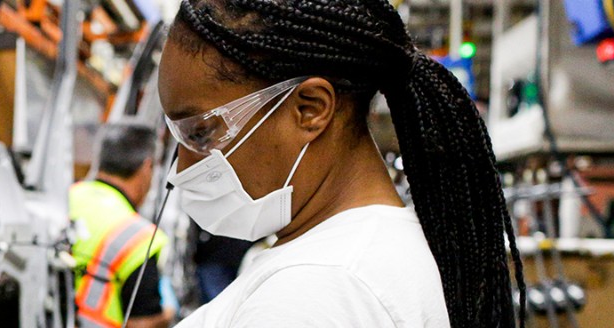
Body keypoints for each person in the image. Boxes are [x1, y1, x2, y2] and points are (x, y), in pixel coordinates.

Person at [156, 0, 525, 327]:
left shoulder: (317, 289)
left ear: (310, 108)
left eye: (201, 133)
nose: (181, 170)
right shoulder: (361, 254)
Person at [69, 123, 172, 328]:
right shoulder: (139, 237)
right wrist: (169, 314)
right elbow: (141, 323)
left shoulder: (64, 198)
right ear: (147, 167)